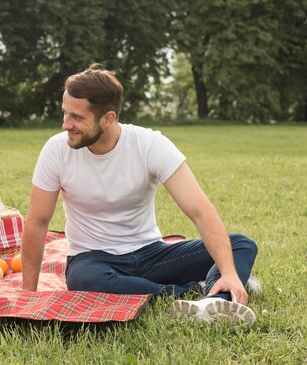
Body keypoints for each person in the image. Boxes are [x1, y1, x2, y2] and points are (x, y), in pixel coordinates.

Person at [21, 64, 259, 325]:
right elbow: (38, 221)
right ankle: (192, 290)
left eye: (76, 117)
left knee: (240, 244)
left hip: (152, 254)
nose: (66, 124)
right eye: (65, 113)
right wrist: (28, 294)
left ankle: (217, 300)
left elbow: (200, 211)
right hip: (94, 260)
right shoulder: (56, 150)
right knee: (83, 280)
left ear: (108, 118)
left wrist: (227, 270)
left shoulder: (149, 144)